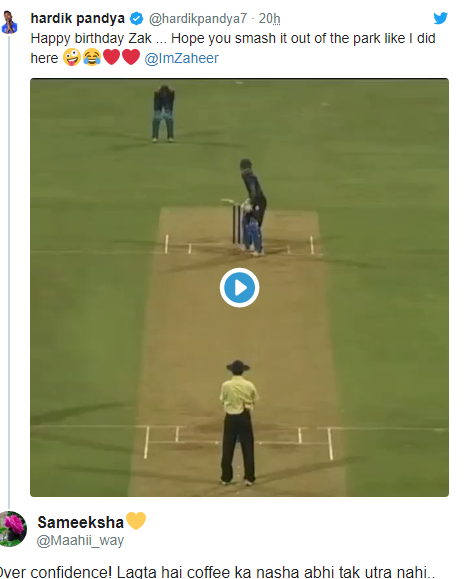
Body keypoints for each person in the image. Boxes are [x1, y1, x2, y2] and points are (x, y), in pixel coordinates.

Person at [219, 360, 259, 486]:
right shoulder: (249, 385)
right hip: (244, 416)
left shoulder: (226, 385)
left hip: (230, 418)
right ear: (243, 371)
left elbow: (223, 400)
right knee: (248, 447)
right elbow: (254, 399)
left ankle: (226, 477)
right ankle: (249, 478)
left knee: (227, 447)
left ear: (232, 371)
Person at [239, 158, 267, 251]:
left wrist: (251, 205)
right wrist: (247, 201)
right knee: (245, 221)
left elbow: (254, 193)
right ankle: (247, 244)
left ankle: (259, 250)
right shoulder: (246, 176)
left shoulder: (250, 177)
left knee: (254, 224)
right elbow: (252, 193)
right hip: (255, 201)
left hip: (260, 202)